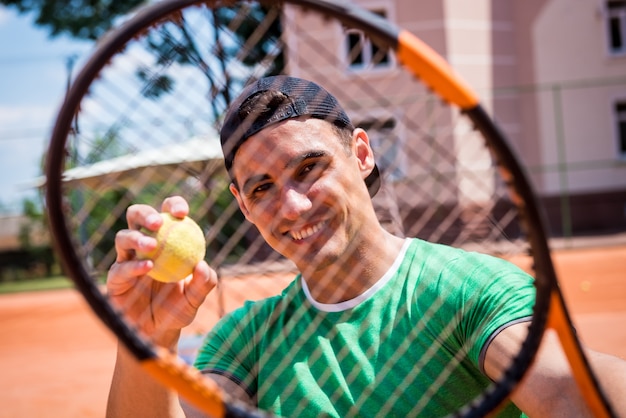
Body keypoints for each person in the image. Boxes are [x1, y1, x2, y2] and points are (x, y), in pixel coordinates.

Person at [106, 76, 626, 417]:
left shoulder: (470, 291)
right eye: (262, 189)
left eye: (309, 169)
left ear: (361, 154)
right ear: (243, 205)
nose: (292, 207)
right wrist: (148, 343)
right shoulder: (245, 341)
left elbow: (563, 391)